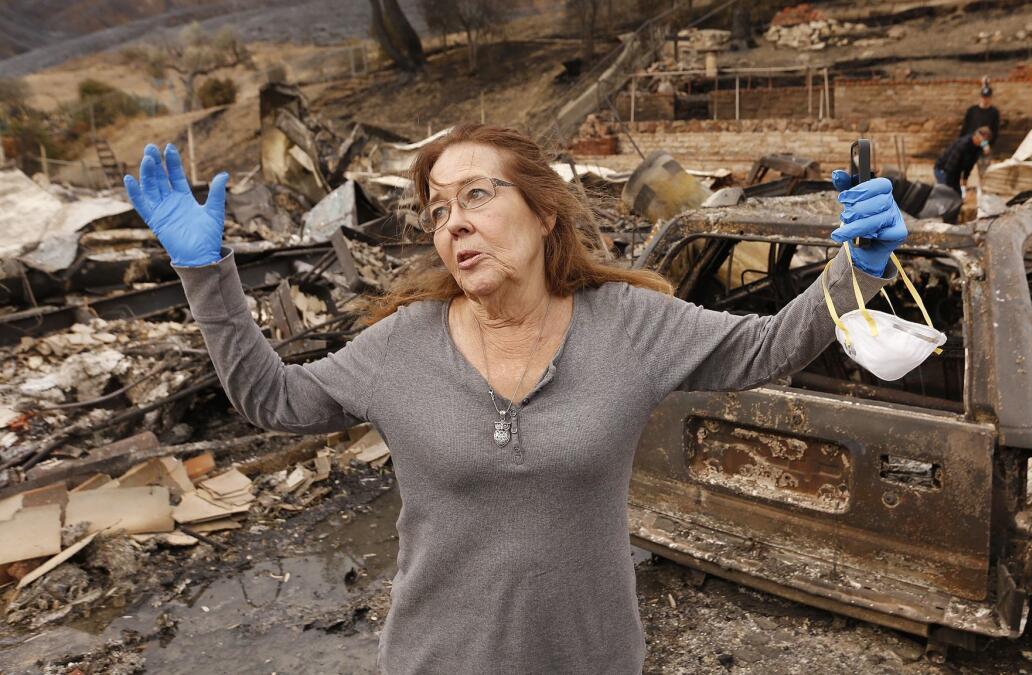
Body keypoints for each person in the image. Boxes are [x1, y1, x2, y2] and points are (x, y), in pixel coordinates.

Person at [123, 124, 906, 674]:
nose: (453, 222)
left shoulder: (630, 326)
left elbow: (767, 345)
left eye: (476, 195)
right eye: (437, 210)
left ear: (541, 210)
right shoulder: (401, 345)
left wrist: (858, 269)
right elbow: (273, 398)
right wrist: (207, 274)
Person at [934, 126, 992, 194]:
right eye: (984, 140)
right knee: (946, 195)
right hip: (944, 170)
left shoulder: (977, 148)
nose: (984, 143)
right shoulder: (963, 144)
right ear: (977, 135)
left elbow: (970, 165)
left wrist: (965, 179)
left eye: (986, 141)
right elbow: (951, 162)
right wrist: (949, 183)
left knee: (958, 196)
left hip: (955, 172)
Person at [960, 80, 1000, 154]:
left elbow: (995, 130)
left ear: (990, 98)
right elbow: (965, 127)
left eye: (987, 97)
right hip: (970, 143)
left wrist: (989, 145)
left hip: (985, 145)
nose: (985, 99)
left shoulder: (994, 112)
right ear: (980, 97)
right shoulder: (972, 110)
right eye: (983, 97)